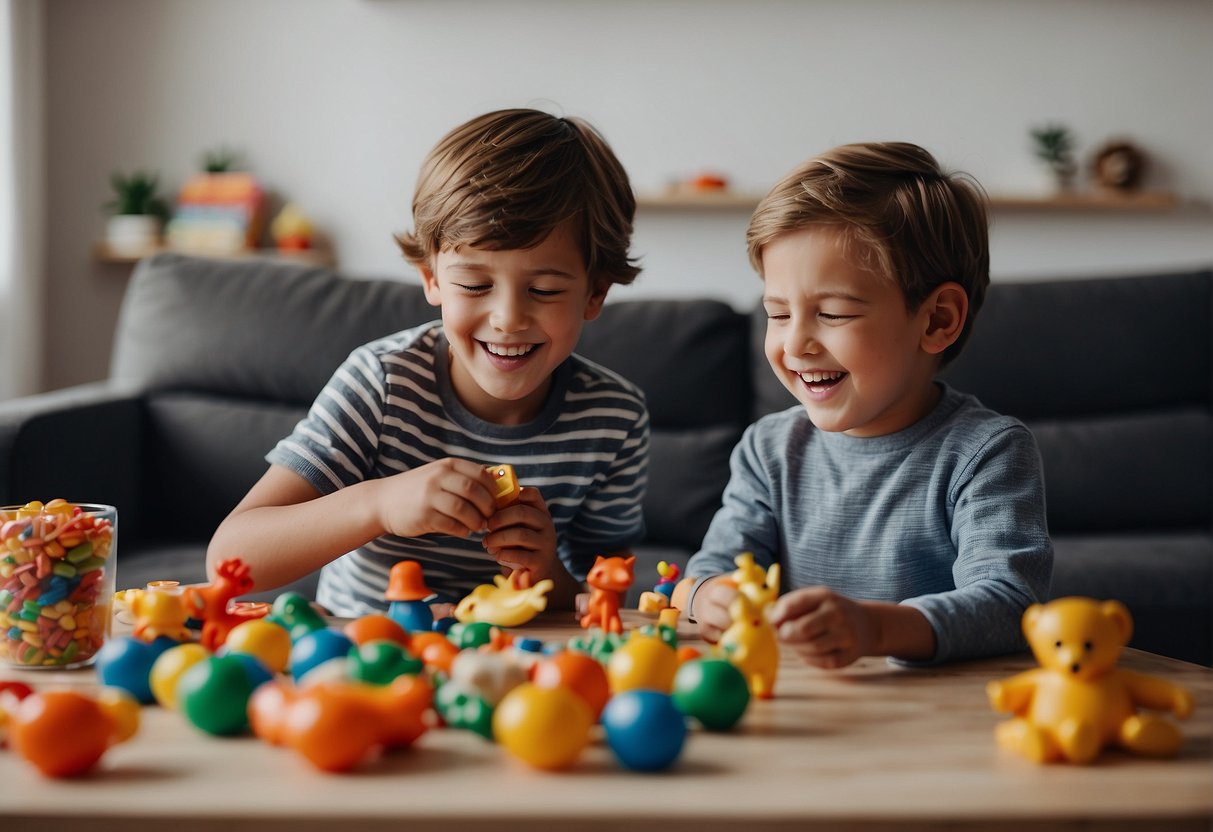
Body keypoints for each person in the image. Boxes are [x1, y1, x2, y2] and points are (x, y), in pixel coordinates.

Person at [207, 108, 648, 616]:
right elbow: (229, 559)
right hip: (364, 653)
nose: (507, 318)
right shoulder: (383, 383)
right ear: (432, 277)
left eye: (544, 289)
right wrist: (378, 505)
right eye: (475, 285)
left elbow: (607, 598)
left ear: (595, 293)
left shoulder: (615, 417)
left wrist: (546, 569)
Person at [686, 142, 1052, 667]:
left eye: (832, 314)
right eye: (779, 314)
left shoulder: (986, 453)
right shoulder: (768, 451)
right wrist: (709, 598)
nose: (794, 346)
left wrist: (873, 629)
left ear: (936, 321)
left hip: (935, 718)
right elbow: (708, 573)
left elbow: (1013, 603)